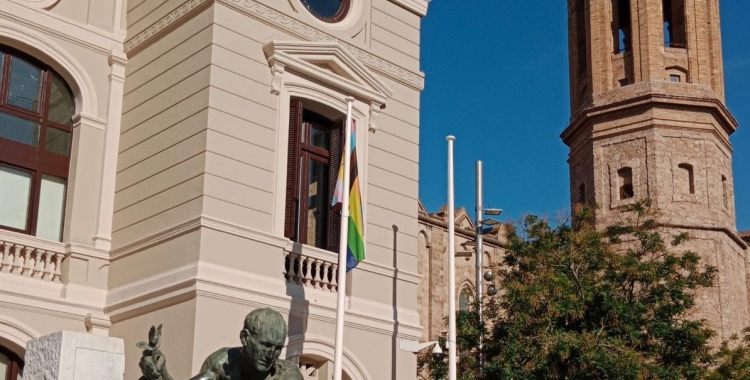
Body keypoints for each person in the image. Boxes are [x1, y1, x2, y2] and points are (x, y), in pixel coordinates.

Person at [139, 308, 303, 380]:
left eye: (278, 348)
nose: (270, 355)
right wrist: (159, 373)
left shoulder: (287, 376)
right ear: (245, 338)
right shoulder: (221, 364)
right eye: (265, 345)